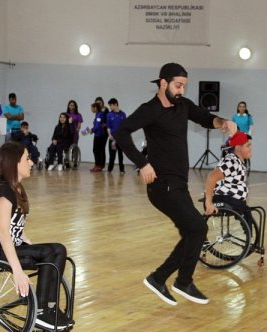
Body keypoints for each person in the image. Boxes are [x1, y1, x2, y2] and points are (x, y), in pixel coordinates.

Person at [115, 62, 238, 306]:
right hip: (162, 185)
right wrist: (143, 163)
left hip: (179, 185)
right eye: (178, 85)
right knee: (197, 229)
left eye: (184, 86)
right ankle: (178, 281)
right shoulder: (150, 109)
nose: (182, 90)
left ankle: (163, 279)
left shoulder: (183, 105)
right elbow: (121, 132)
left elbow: (205, 118)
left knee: (190, 233)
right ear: (163, 83)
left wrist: (222, 122)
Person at [0, 141, 72, 330]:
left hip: (12, 246)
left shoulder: (17, 188)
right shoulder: (3, 190)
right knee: (53, 251)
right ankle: (41, 311)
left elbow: (15, 226)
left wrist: (26, 239)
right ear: (14, 163)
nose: (31, 163)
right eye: (27, 158)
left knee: (57, 250)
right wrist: (18, 272)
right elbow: (3, 233)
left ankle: (49, 308)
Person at [205, 131, 254, 229]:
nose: (250, 149)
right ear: (238, 148)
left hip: (230, 199)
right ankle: (249, 242)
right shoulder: (231, 162)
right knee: (245, 211)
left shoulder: (236, 160)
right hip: (222, 199)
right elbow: (211, 177)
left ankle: (251, 241)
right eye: (248, 146)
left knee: (248, 211)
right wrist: (208, 203)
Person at [106, 98, 126, 173]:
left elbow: (124, 127)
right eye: (109, 105)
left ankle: (122, 169)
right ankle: (109, 169)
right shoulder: (109, 115)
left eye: (111, 105)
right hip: (113, 140)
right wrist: (109, 135)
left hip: (120, 139)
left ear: (116, 104)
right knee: (112, 155)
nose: (110, 107)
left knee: (120, 155)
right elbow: (108, 127)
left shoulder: (123, 114)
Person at [89, 102, 108, 172]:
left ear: (95, 108)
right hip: (97, 134)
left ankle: (98, 165)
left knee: (96, 150)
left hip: (99, 135)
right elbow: (96, 125)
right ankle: (98, 165)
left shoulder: (99, 115)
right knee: (97, 150)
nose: (91, 109)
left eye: (92, 108)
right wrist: (93, 130)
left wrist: (92, 130)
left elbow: (98, 125)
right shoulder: (97, 114)